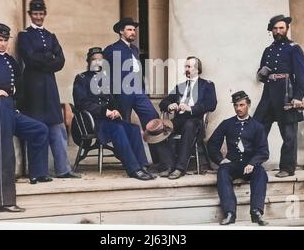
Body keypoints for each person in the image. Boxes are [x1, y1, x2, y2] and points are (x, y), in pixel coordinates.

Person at [0, 23, 51, 213]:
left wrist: (16, 100)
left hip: (11, 108)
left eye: (5, 40)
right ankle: (5, 201)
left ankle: (37, 174)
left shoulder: (10, 60)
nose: (3, 44)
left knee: (39, 130)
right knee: (4, 152)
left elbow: (19, 83)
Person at [17, 0, 79, 179]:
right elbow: (29, 58)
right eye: (35, 14)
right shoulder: (24, 36)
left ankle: (63, 169)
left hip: (50, 87)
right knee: (38, 128)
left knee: (57, 127)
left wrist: (44, 59)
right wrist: (48, 58)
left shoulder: (51, 36)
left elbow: (61, 60)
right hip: (33, 87)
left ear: (45, 14)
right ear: (30, 15)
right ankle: (40, 172)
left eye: (41, 14)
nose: (38, 17)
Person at [73, 47, 155, 180]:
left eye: (100, 60)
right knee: (118, 128)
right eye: (94, 60)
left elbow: (113, 101)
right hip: (93, 122)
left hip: (109, 120)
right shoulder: (82, 79)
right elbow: (82, 103)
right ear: (88, 62)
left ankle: (142, 165)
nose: (97, 63)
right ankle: (134, 169)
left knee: (133, 129)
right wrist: (104, 111)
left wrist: (116, 110)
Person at [253, 15, 304, 178]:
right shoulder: (268, 50)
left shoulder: (294, 48)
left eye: (281, 28)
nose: (278, 31)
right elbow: (261, 75)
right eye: (275, 28)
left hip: (287, 94)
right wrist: (261, 73)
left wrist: (298, 96)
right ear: (271, 30)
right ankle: (253, 165)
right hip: (268, 95)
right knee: (257, 129)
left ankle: (287, 168)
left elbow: (302, 75)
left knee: (289, 134)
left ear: (286, 29)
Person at [207, 91, 269, 225]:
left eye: (241, 105)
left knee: (261, 173)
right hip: (232, 164)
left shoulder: (257, 127)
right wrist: (220, 160)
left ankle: (256, 211)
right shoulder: (227, 124)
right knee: (222, 171)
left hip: (250, 165)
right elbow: (211, 144)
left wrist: (253, 163)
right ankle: (230, 213)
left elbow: (263, 151)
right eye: (236, 105)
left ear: (248, 105)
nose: (238, 108)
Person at [103, 17, 159, 164]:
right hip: (121, 92)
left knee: (153, 117)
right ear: (121, 32)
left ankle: (159, 161)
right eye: (129, 29)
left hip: (138, 91)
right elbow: (104, 72)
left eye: (134, 30)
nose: (133, 32)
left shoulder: (134, 49)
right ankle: (131, 162)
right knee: (124, 124)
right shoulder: (111, 49)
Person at [157, 56, 217, 179]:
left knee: (189, 125)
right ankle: (168, 165)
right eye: (185, 66)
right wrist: (170, 105)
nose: (186, 69)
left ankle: (180, 168)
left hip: (195, 120)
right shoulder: (180, 86)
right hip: (179, 120)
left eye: (189, 67)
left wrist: (191, 108)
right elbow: (163, 102)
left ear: (197, 69)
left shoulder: (207, 85)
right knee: (159, 129)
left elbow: (211, 104)